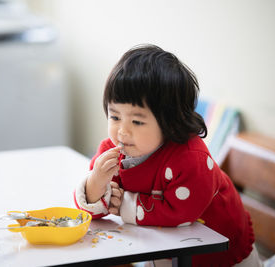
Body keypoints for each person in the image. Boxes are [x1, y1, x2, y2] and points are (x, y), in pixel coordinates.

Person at [74, 44, 261, 266]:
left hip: (223, 252)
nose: (122, 131)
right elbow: (93, 212)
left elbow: (182, 213)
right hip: (161, 245)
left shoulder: (192, 158)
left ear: (170, 123)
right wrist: (96, 184)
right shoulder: (112, 152)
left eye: (137, 121)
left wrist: (123, 204)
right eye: (115, 117)